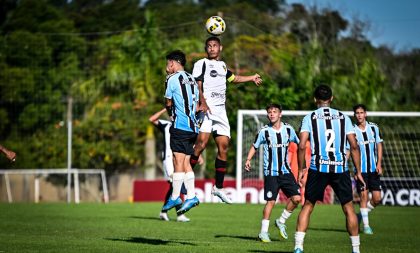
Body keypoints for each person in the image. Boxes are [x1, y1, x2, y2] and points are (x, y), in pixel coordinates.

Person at [190, 36, 263, 204]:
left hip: (220, 112)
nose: (212, 48)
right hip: (206, 108)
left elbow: (233, 78)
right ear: (205, 48)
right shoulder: (201, 63)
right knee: (200, 144)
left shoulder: (222, 66)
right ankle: (184, 173)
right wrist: (202, 102)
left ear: (220, 48)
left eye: (215, 45)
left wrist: (251, 77)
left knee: (223, 147)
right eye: (209, 46)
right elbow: (197, 84)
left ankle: (219, 188)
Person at [294, 85, 365, 253]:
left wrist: (302, 169)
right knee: (348, 208)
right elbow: (354, 146)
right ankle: (356, 250)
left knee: (308, 206)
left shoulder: (309, 117)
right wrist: (359, 172)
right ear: (331, 98)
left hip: (318, 168)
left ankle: (298, 246)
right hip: (340, 168)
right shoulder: (344, 118)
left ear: (315, 100)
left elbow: (302, 145)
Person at [245, 103, 301, 242]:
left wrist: (304, 166)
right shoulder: (264, 131)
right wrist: (248, 159)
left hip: (286, 172)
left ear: (280, 114)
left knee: (297, 199)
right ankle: (263, 232)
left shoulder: (289, 130)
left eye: (274, 111)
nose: (271, 114)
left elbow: (301, 144)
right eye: (269, 112)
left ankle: (281, 221)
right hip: (271, 173)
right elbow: (254, 145)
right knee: (271, 201)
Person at [161, 50, 200, 215]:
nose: (167, 67)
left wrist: (172, 115)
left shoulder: (171, 79)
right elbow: (196, 104)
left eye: (167, 63)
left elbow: (168, 103)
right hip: (193, 127)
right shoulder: (192, 78)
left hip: (180, 125)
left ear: (173, 63)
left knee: (177, 161)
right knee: (184, 163)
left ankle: (176, 196)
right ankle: (191, 196)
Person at [149, 108, 190, 222]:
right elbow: (151, 119)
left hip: (178, 159)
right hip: (168, 159)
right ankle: (179, 214)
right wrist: (164, 109)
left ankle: (164, 212)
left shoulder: (182, 126)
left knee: (174, 186)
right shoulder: (166, 125)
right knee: (175, 183)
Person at [353, 104, 383, 234]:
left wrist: (379, 163)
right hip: (361, 170)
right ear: (355, 115)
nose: (359, 115)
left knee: (377, 198)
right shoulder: (352, 131)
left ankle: (360, 216)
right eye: (357, 113)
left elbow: (379, 145)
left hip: (373, 169)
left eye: (361, 112)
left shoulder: (374, 128)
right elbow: (350, 150)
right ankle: (366, 226)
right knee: (364, 196)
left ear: (365, 114)